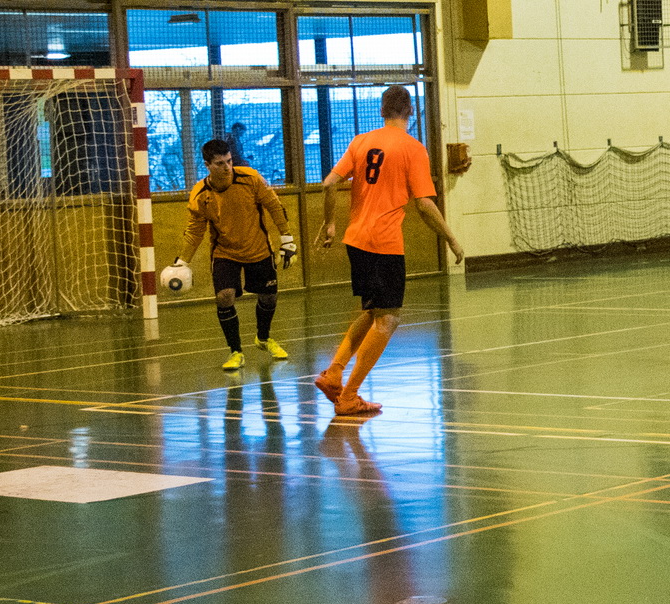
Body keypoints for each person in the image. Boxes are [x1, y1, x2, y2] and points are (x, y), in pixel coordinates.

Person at [313, 86, 465, 418]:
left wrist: (330, 224)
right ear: (411, 111)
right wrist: (451, 239)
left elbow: (329, 183)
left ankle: (334, 373)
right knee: (389, 318)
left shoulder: (360, 142)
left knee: (372, 312)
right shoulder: (413, 149)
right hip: (383, 243)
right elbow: (424, 204)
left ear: (382, 111)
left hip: (356, 240)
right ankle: (349, 395)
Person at [172, 138, 296, 371]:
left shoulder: (251, 179)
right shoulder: (200, 195)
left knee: (268, 298)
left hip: (258, 248)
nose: (227, 167)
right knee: (224, 296)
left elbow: (274, 205)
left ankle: (263, 337)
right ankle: (236, 351)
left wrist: (287, 238)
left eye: (229, 161)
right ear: (207, 165)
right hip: (225, 252)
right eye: (220, 163)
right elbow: (195, 231)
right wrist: (182, 261)